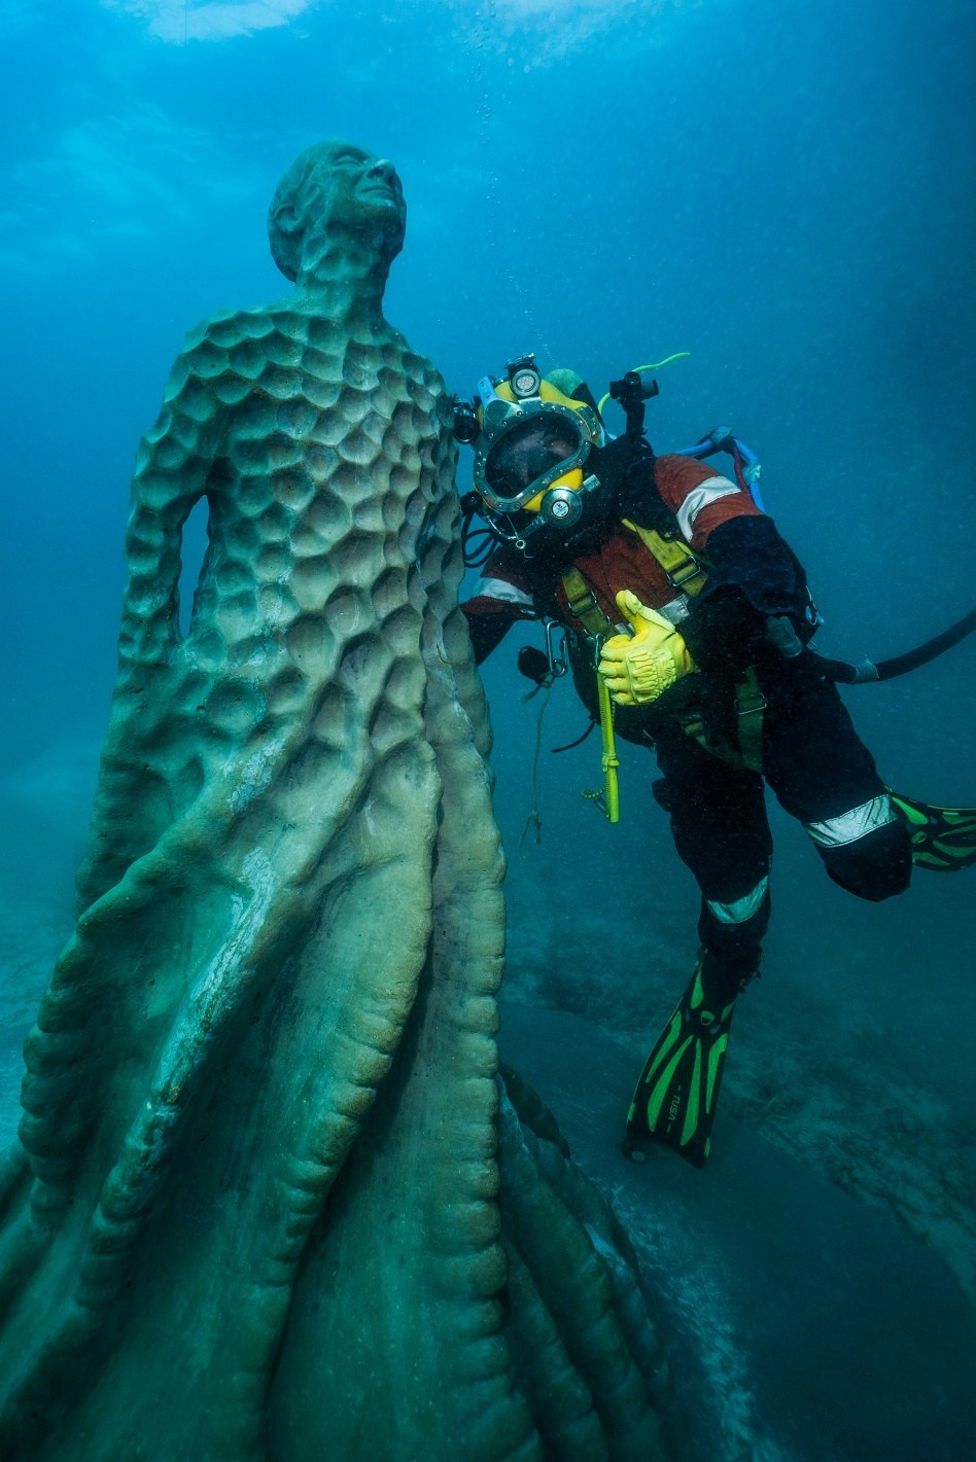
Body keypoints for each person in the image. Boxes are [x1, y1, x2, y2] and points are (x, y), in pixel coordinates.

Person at [454, 354, 923, 1167]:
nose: (539, 480)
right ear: (492, 484)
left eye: (551, 449)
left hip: (781, 697)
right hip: (690, 748)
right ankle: (724, 976)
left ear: (589, 436)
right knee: (733, 900)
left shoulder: (668, 479)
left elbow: (765, 561)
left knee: (876, 871)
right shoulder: (525, 556)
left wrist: (689, 643)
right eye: (513, 466)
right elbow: (468, 633)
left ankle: (872, 814)